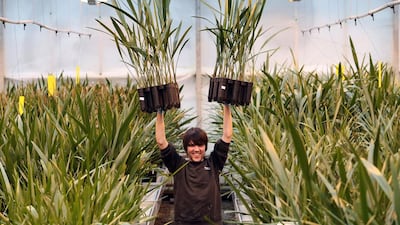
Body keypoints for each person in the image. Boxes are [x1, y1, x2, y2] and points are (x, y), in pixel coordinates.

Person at [155, 104, 232, 225]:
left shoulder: (214, 163)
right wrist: (160, 113)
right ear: (186, 148)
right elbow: (161, 141)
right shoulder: (178, 165)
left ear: (205, 147)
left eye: (200, 145)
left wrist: (226, 106)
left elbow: (227, 136)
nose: (196, 149)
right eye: (191, 145)